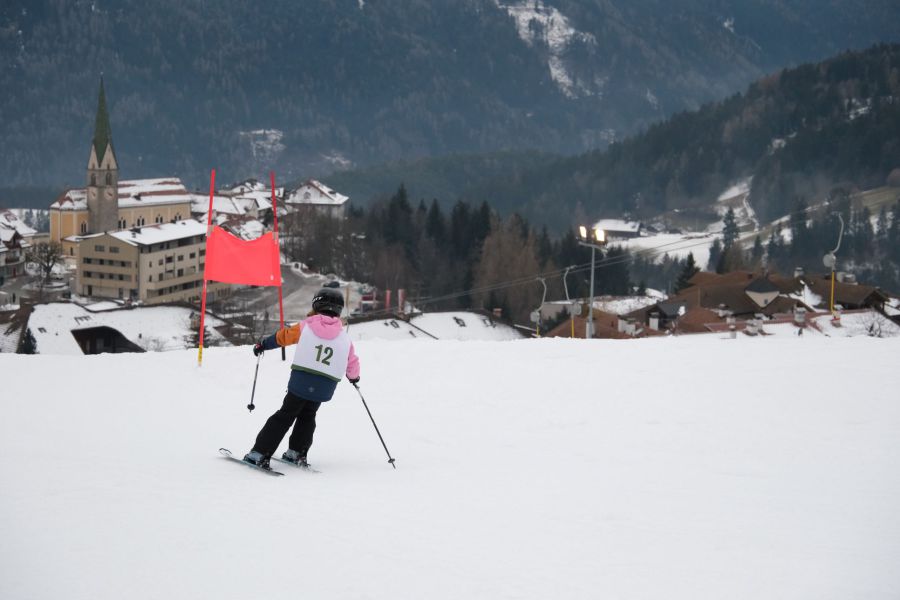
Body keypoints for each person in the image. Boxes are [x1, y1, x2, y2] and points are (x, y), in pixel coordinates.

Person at [243, 287, 360, 470]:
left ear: (316, 304)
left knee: (285, 416)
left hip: (302, 382)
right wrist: (354, 378)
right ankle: (296, 453)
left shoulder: (307, 326)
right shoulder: (344, 337)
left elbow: (283, 337)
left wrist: (263, 345)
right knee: (308, 416)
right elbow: (352, 361)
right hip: (325, 386)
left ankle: (259, 453)